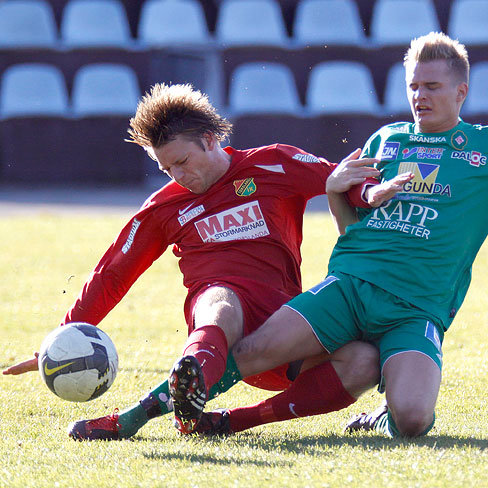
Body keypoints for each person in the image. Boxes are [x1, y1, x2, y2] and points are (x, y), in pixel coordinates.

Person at [165, 32, 488, 438]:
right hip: (349, 287)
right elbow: (350, 216)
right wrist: (341, 196)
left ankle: (374, 416)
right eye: (413, 85)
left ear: (461, 91)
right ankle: (166, 408)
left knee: (412, 419)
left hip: (417, 308)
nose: (419, 96)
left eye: (431, 86)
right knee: (252, 353)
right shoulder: (386, 138)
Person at [2, 82, 382, 440]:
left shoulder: (271, 164)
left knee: (365, 361)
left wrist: (374, 193)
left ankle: (225, 422)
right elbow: (112, 275)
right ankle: (160, 399)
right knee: (221, 300)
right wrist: (62, 339)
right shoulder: (163, 207)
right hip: (218, 325)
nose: (179, 177)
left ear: (210, 139)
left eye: (183, 162)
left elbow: (342, 180)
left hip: (284, 329)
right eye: (167, 170)